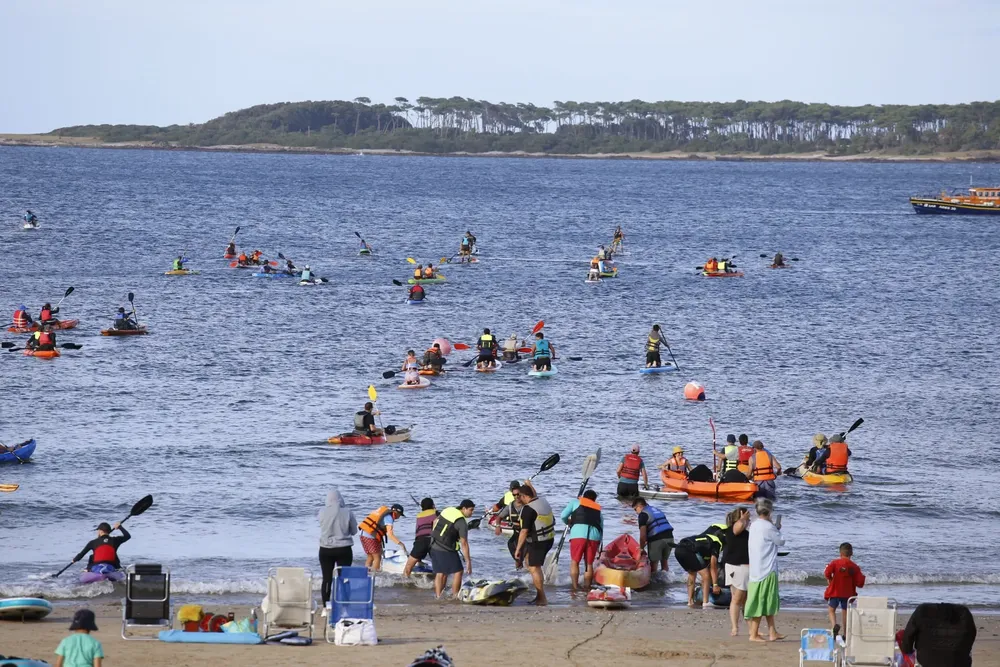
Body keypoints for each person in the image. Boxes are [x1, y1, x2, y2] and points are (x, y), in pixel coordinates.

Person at [745, 499, 784, 642]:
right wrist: (777, 528)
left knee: (766, 601)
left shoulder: (754, 525)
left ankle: (772, 632)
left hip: (756, 568)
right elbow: (781, 541)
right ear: (769, 511)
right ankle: (754, 634)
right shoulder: (769, 527)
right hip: (767, 569)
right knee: (762, 601)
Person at [513, 483, 555, 605]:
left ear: (524, 496)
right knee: (531, 564)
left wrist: (518, 550)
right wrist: (529, 484)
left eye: (520, 496)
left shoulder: (528, 509)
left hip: (538, 542)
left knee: (533, 568)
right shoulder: (542, 501)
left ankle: (542, 598)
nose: (518, 499)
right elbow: (534, 494)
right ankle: (539, 596)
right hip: (549, 539)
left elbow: (524, 531)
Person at [900, 602, 977, 667]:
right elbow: (971, 635)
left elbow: (908, 636)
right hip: (959, 662)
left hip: (927, 661)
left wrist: (907, 650)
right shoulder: (964, 613)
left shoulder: (922, 611)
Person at [318, 489, 357, 613]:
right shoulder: (348, 512)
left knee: (327, 579)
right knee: (344, 579)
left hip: (325, 549)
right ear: (340, 499)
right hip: (344, 549)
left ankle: (325, 607)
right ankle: (344, 607)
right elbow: (354, 531)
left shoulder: (322, 512)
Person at [430, 499, 475, 599]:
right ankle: (455, 596)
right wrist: (468, 562)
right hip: (446, 548)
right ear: (464, 508)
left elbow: (435, 521)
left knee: (440, 572)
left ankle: (438, 596)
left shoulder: (448, 510)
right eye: (471, 510)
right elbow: (464, 543)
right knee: (459, 571)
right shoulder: (462, 522)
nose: (472, 512)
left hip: (434, 544)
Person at [674, 523, 726, 608]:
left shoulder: (706, 537)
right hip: (688, 550)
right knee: (706, 575)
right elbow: (713, 565)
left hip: (678, 549)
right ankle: (706, 602)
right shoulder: (717, 543)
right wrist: (715, 585)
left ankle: (690, 601)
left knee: (692, 574)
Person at [560, 489, 603, 592]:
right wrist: (599, 543)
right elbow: (601, 526)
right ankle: (587, 588)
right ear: (594, 500)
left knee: (575, 561)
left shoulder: (575, 502)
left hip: (578, 536)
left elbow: (563, 515)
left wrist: (568, 522)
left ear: (583, 497)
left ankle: (575, 587)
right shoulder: (598, 509)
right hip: (594, 537)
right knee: (589, 564)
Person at [824, 542, 865, 634]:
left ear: (840, 553)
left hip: (835, 591)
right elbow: (860, 583)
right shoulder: (855, 567)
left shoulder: (835, 563)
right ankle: (845, 634)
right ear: (851, 553)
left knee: (831, 609)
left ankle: (834, 625)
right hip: (848, 593)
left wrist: (830, 579)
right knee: (845, 612)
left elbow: (827, 573)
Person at [724, 506, 751, 636]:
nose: (749, 520)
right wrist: (743, 519)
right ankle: (735, 628)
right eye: (748, 517)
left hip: (743, 568)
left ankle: (751, 628)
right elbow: (736, 528)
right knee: (737, 599)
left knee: (745, 600)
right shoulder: (731, 530)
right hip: (736, 567)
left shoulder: (746, 533)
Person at [632, 497, 674, 575]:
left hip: (657, 540)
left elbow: (643, 536)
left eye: (635, 509)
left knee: (653, 566)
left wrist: (641, 548)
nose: (636, 512)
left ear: (639, 506)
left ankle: (653, 581)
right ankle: (666, 580)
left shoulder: (643, 514)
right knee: (664, 564)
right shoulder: (657, 510)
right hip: (670, 538)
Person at [359, 503, 407, 571]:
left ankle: (366, 573)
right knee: (377, 557)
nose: (399, 517)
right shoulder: (389, 517)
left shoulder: (384, 514)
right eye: (399, 514)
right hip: (370, 536)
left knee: (370, 556)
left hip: (363, 533)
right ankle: (375, 574)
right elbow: (390, 534)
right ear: (396, 512)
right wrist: (401, 544)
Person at [403, 497, 437, 577]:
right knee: (440, 566)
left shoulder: (419, 516)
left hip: (420, 541)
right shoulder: (437, 513)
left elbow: (418, 532)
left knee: (408, 566)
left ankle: (405, 580)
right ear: (433, 505)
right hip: (434, 541)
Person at [492, 480, 525, 561]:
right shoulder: (511, 505)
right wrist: (498, 526)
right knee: (513, 547)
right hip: (512, 525)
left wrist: (491, 510)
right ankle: (519, 566)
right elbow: (499, 516)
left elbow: (496, 508)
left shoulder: (506, 496)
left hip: (522, 531)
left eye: (518, 494)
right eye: (514, 495)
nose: (516, 496)